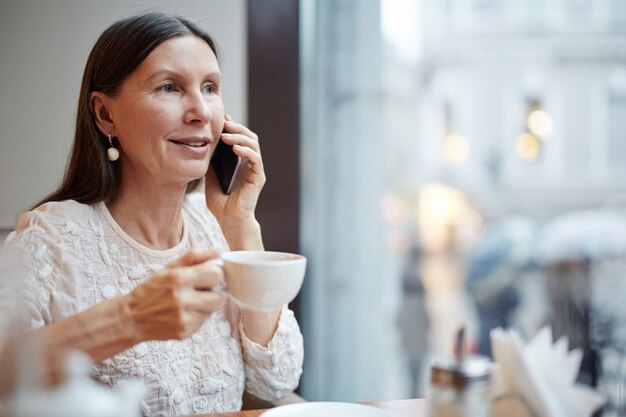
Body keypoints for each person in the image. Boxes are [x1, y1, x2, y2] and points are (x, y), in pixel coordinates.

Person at [1, 11, 303, 417]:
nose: (201, 111)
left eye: (210, 87)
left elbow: (276, 382)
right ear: (105, 115)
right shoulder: (51, 236)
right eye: (169, 87)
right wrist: (130, 317)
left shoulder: (217, 228)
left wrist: (241, 225)